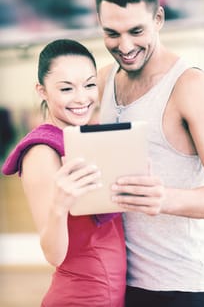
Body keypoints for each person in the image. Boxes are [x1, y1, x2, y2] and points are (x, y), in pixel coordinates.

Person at [95, 0, 204, 307]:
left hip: (178, 285)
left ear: (158, 18)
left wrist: (164, 199)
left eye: (136, 30)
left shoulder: (190, 86)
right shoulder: (102, 81)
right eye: (112, 34)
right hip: (116, 280)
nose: (125, 46)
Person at [1, 39, 126, 307]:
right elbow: (53, 254)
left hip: (110, 292)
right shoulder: (41, 152)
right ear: (42, 91)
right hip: (81, 299)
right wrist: (59, 204)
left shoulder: (81, 138)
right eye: (67, 88)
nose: (82, 98)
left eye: (90, 85)